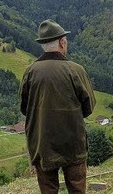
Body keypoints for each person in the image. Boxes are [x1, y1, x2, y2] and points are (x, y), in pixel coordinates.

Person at [20, 19, 96, 194]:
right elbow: (88, 107)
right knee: (77, 188)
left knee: (48, 189)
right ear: (62, 42)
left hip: (42, 142)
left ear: (43, 45)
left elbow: (25, 108)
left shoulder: (30, 72)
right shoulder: (75, 70)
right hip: (73, 142)